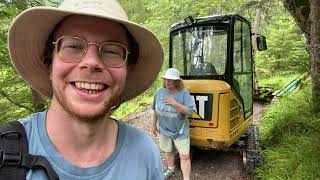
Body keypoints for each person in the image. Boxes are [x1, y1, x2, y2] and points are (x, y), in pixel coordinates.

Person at [7, 0, 164, 179]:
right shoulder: (5, 152)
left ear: (127, 70)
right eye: (73, 46)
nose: (91, 62)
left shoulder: (144, 153)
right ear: (49, 64)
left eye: (111, 51)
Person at [151, 68, 194, 180]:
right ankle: (171, 169)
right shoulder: (159, 91)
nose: (168, 82)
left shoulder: (183, 93)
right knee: (168, 150)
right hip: (164, 129)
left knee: (184, 156)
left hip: (180, 131)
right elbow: (155, 110)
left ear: (177, 81)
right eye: (166, 79)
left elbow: (190, 112)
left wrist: (175, 104)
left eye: (171, 80)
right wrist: (153, 125)